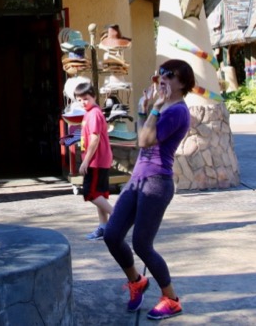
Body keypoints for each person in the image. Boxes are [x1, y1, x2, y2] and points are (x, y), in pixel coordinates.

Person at [102, 59, 193, 320]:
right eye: (160, 73)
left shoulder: (177, 112)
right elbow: (142, 138)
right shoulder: (164, 108)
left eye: (170, 74)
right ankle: (137, 281)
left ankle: (171, 299)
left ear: (183, 83)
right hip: (138, 179)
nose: (162, 78)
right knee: (112, 234)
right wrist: (143, 112)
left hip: (156, 182)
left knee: (142, 244)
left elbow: (144, 141)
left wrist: (153, 108)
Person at [74, 81, 114, 240]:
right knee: (100, 194)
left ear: (94, 97)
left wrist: (85, 162)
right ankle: (104, 227)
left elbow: (95, 139)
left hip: (96, 161)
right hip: (98, 160)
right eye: (79, 99)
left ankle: (118, 217)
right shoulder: (89, 113)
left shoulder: (95, 114)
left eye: (86, 99)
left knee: (91, 193)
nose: (83, 102)